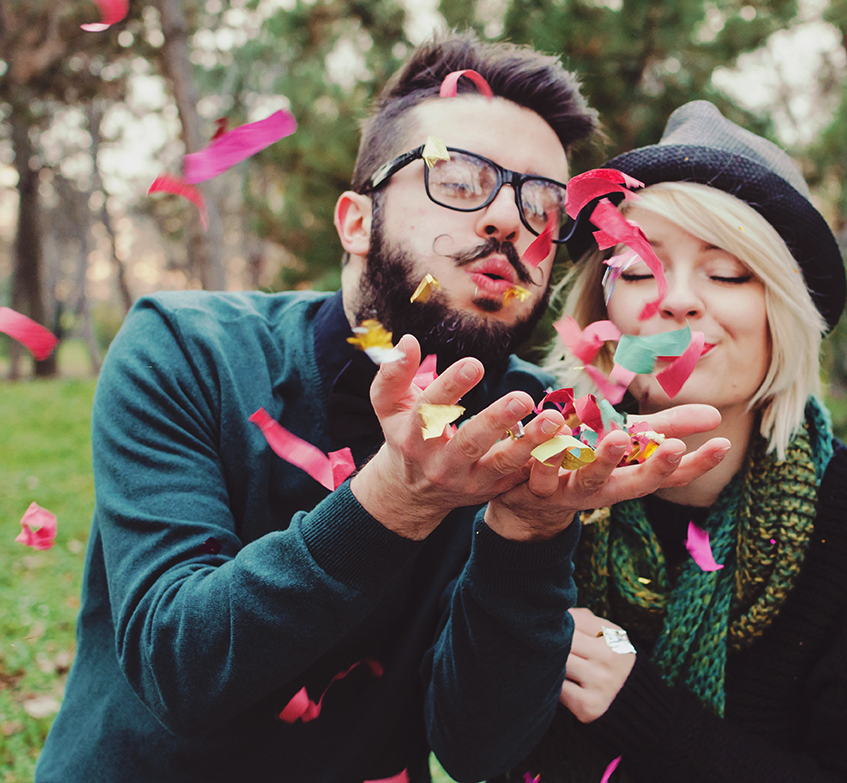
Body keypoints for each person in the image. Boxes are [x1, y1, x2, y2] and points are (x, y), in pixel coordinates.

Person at [35, 36, 729, 783]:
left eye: (541, 204)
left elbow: (478, 750)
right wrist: (398, 498)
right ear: (355, 221)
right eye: (458, 180)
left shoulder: (532, 427)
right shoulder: (187, 349)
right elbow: (179, 669)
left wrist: (530, 532)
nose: (506, 219)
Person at [509, 101, 847, 782]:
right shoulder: (540, 489)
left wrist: (640, 710)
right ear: (604, 313)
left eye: (726, 273)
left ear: (782, 312)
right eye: (637, 269)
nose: (677, 300)